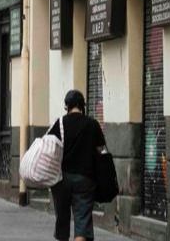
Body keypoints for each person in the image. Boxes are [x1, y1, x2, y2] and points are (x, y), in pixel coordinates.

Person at [49, 90, 107, 241]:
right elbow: (101, 150)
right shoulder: (92, 124)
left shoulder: (59, 123)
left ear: (67, 106)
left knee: (62, 219)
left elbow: (49, 148)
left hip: (61, 179)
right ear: (82, 106)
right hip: (85, 179)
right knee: (82, 221)